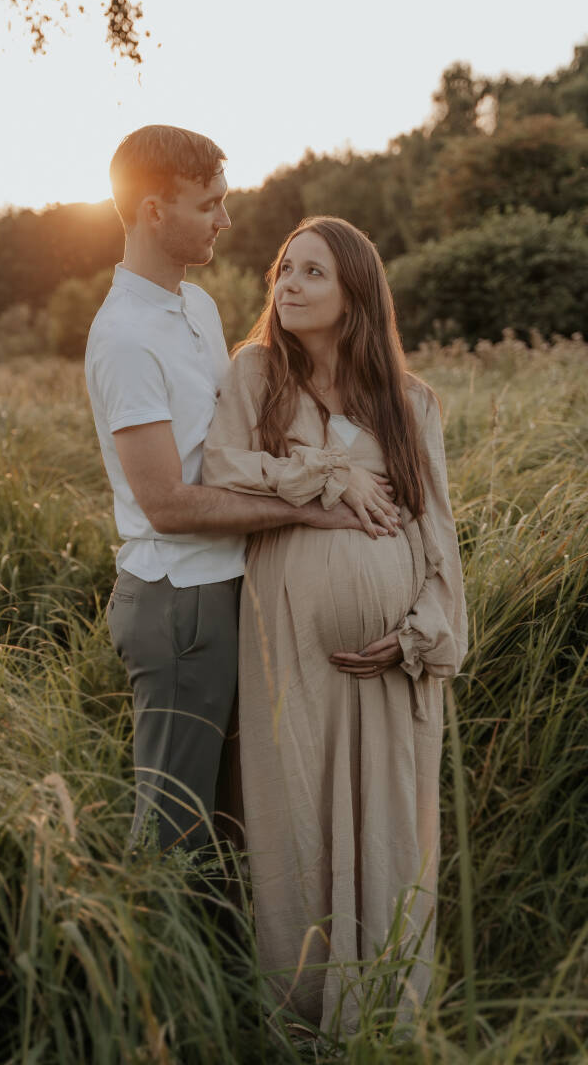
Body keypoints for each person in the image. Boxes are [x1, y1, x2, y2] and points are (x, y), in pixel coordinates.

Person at [84, 128, 398, 856]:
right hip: (179, 602)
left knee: (228, 819)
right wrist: (309, 509)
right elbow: (166, 502)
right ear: (156, 211)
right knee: (172, 832)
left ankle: (221, 966)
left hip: (228, 589)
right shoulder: (126, 337)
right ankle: (143, 962)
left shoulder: (193, 308)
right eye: (210, 204)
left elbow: (237, 446)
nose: (225, 220)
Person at [202, 215, 467, 1032]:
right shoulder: (256, 375)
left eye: (312, 272)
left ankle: (384, 1015)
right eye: (284, 269)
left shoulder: (409, 401)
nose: (288, 284)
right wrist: (329, 479)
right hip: (287, 641)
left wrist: (419, 631)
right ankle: (302, 1021)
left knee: (388, 824)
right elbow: (223, 467)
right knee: (297, 820)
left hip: (391, 662)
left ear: (355, 290)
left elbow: (436, 535)